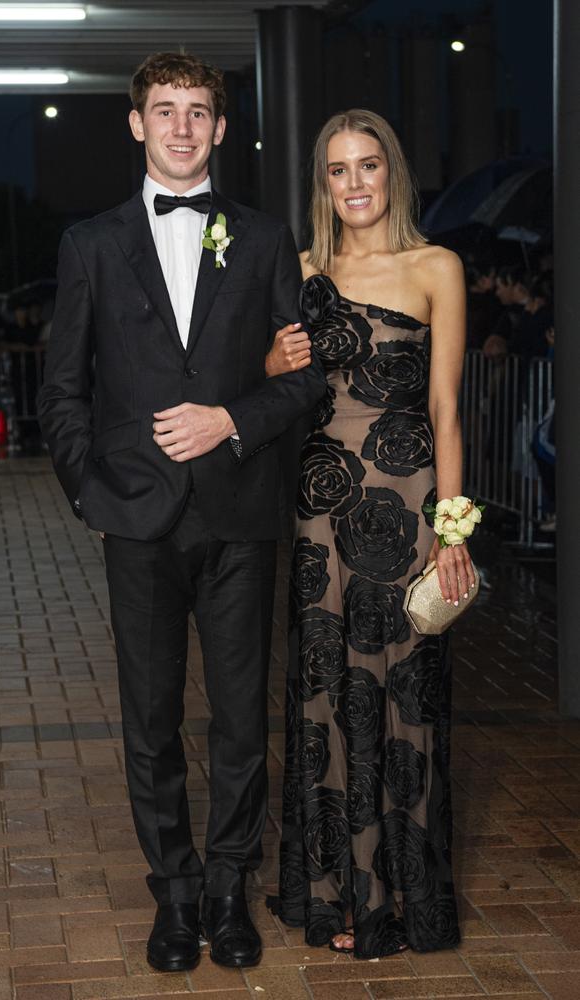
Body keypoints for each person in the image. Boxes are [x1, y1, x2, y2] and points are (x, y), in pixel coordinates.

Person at [38, 51, 325, 974]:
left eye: (197, 111)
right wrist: (88, 490)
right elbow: (63, 390)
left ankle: (228, 888)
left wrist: (231, 419)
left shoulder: (266, 237)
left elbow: (307, 379)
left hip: (240, 514)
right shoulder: (89, 245)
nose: (180, 127)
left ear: (220, 127)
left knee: (240, 722)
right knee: (150, 720)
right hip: (137, 520)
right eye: (164, 110)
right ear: (136, 124)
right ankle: (174, 889)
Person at [269, 109, 474, 959]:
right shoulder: (303, 271)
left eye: (368, 167)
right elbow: (272, 387)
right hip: (322, 511)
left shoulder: (437, 267)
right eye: (337, 170)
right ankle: (337, 899)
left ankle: (398, 903)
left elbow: (446, 410)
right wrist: (274, 364)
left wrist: (453, 530)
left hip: (409, 497)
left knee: (402, 699)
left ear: (392, 173)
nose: (354, 184)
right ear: (322, 183)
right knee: (327, 700)